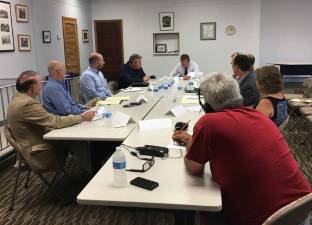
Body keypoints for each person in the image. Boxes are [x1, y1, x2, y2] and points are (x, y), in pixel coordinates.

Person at [173, 73, 311, 225]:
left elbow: (194, 168)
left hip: (264, 220)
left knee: (206, 206)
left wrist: (189, 142)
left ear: (207, 105)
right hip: (302, 210)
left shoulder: (208, 122)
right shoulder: (260, 116)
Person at [7, 71, 95, 172]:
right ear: (32, 88)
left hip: (32, 145)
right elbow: (55, 122)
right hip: (39, 153)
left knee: (73, 137)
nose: (41, 86)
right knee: (79, 142)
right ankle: (93, 172)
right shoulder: (27, 103)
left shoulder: (18, 99)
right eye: (39, 83)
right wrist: (82, 117)